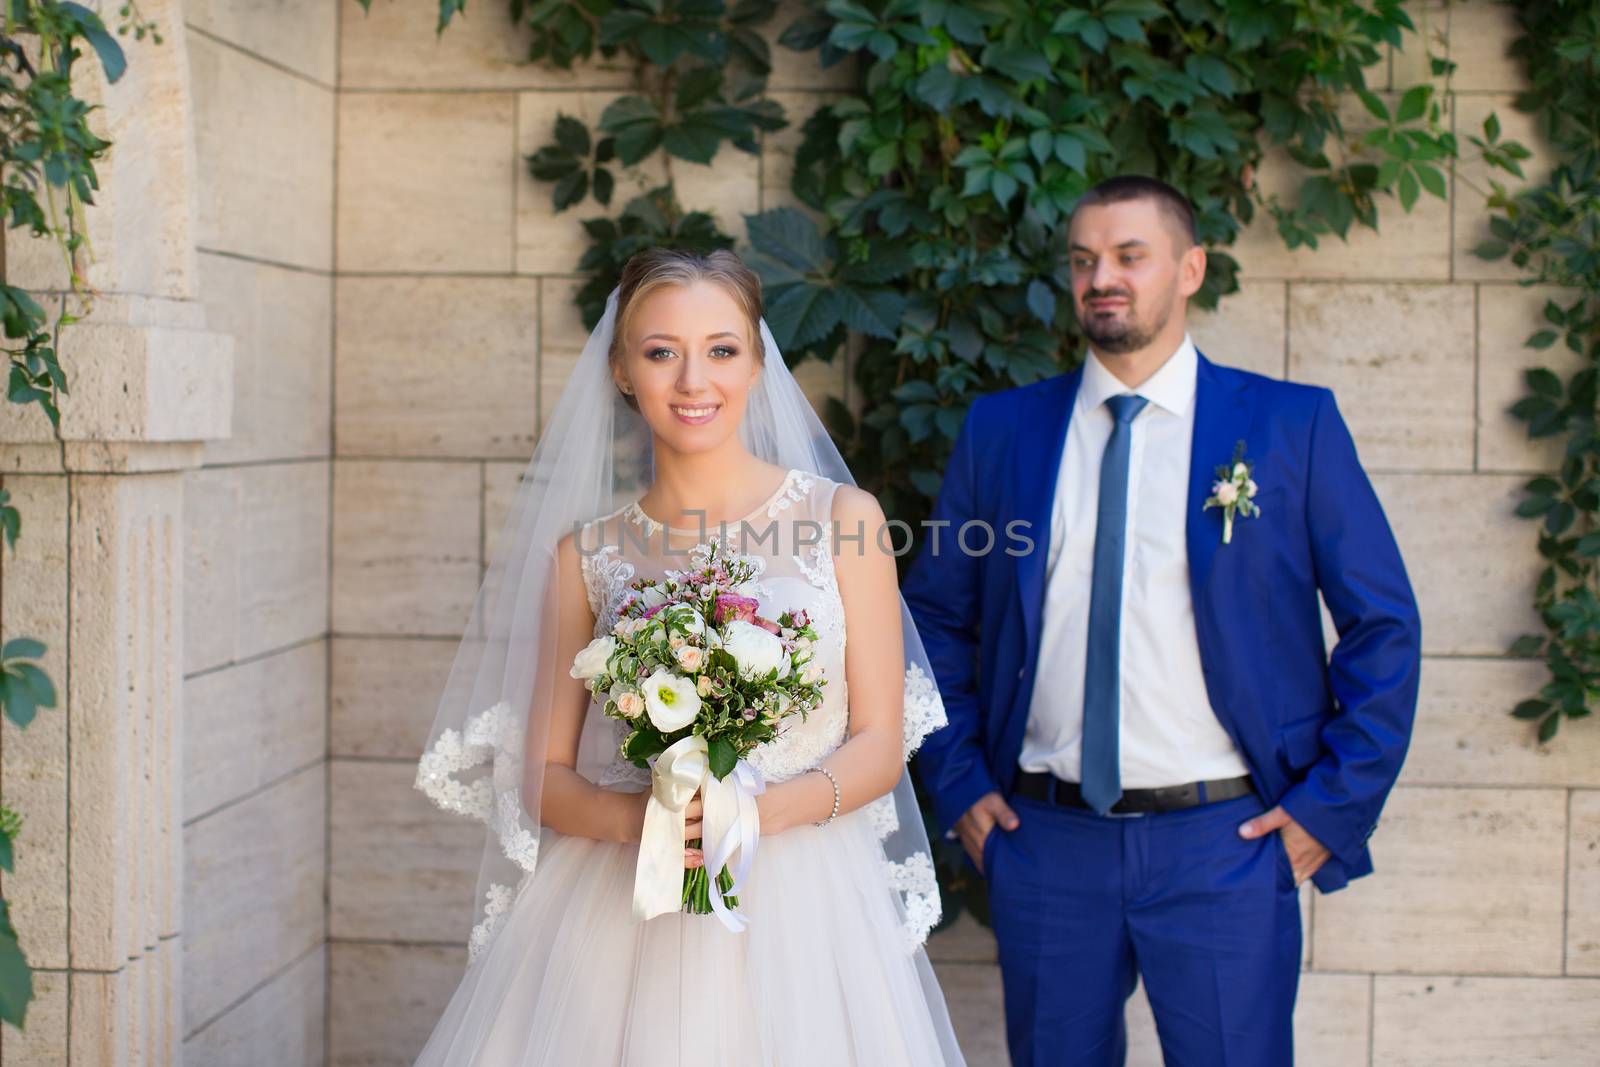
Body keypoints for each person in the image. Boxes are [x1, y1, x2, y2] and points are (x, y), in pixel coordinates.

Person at [904, 175, 1422, 1066]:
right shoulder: (1003, 433)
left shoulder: (1290, 427)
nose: (1102, 276)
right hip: (1044, 841)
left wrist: (1327, 809)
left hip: (1224, 843)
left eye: (1128, 256)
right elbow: (933, 623)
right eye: (1083, 260)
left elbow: (1384, 627)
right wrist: (958, 786)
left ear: (1190, 268)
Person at [410, 248, 965, 1065]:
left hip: (805, 901)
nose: (693, 380)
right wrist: (649, 821)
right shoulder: (586, 555)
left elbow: (881, 742)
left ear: (756, 360)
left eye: (722, 349)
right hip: (621, 903)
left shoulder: (843, 519)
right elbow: (542, 775)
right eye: (662, 351)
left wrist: (750, 816)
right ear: (623, 370)